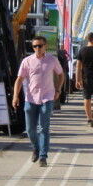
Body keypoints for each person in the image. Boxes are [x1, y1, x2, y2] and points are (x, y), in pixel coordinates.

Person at [12, 36, 64, 167]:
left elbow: (61, 74)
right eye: (35, 46)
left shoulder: (52, 60)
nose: (37, 48)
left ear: (45, 46)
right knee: (30, 129)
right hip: (31, 98)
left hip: (47, 98)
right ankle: (35, 147)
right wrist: (15, 96)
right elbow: (19, 80)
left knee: (43, 128)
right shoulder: (27, 61)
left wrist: (58, 90)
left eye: (40, 46)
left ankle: (43, 156)